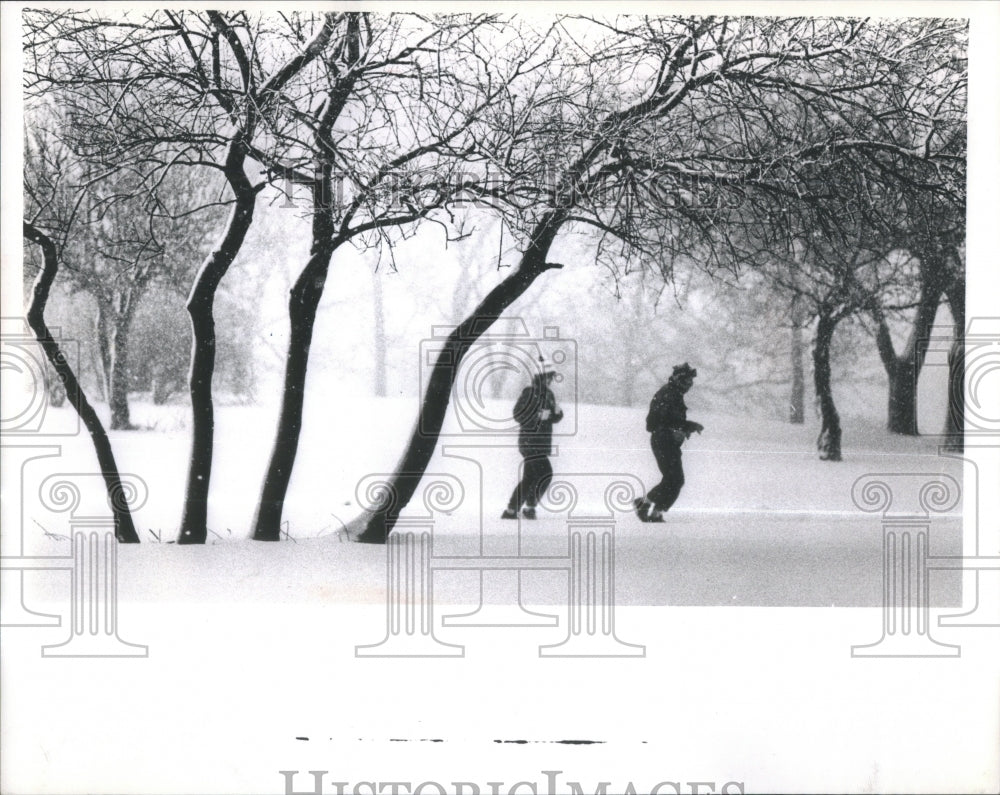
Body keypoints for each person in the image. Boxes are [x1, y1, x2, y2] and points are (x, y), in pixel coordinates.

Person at [635, 362, 704, 523]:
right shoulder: (669, 394)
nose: (689, 386)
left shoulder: (672, 394)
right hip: (663, 441)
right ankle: (649, 507)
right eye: (686, 382)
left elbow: (668, 421)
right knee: (675, 479)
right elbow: (655, 422)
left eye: (691, 382)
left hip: (665, 441)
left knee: (672, 479)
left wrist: (686, 427)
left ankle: (652, 509)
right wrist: (677, 429)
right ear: (678, 379)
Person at [502, 368, 563, 520]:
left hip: (542, 443)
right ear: (540, 377)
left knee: (530, 477)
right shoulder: (529, 392)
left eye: (551, 378)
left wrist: (557, 413)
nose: (549, 381)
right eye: (547, 378)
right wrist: (537, 416)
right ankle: (527, 506)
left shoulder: (549, 395)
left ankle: (514, 510)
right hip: (530, 442)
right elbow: (518, 414)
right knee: (545, 473)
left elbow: (553, 418)